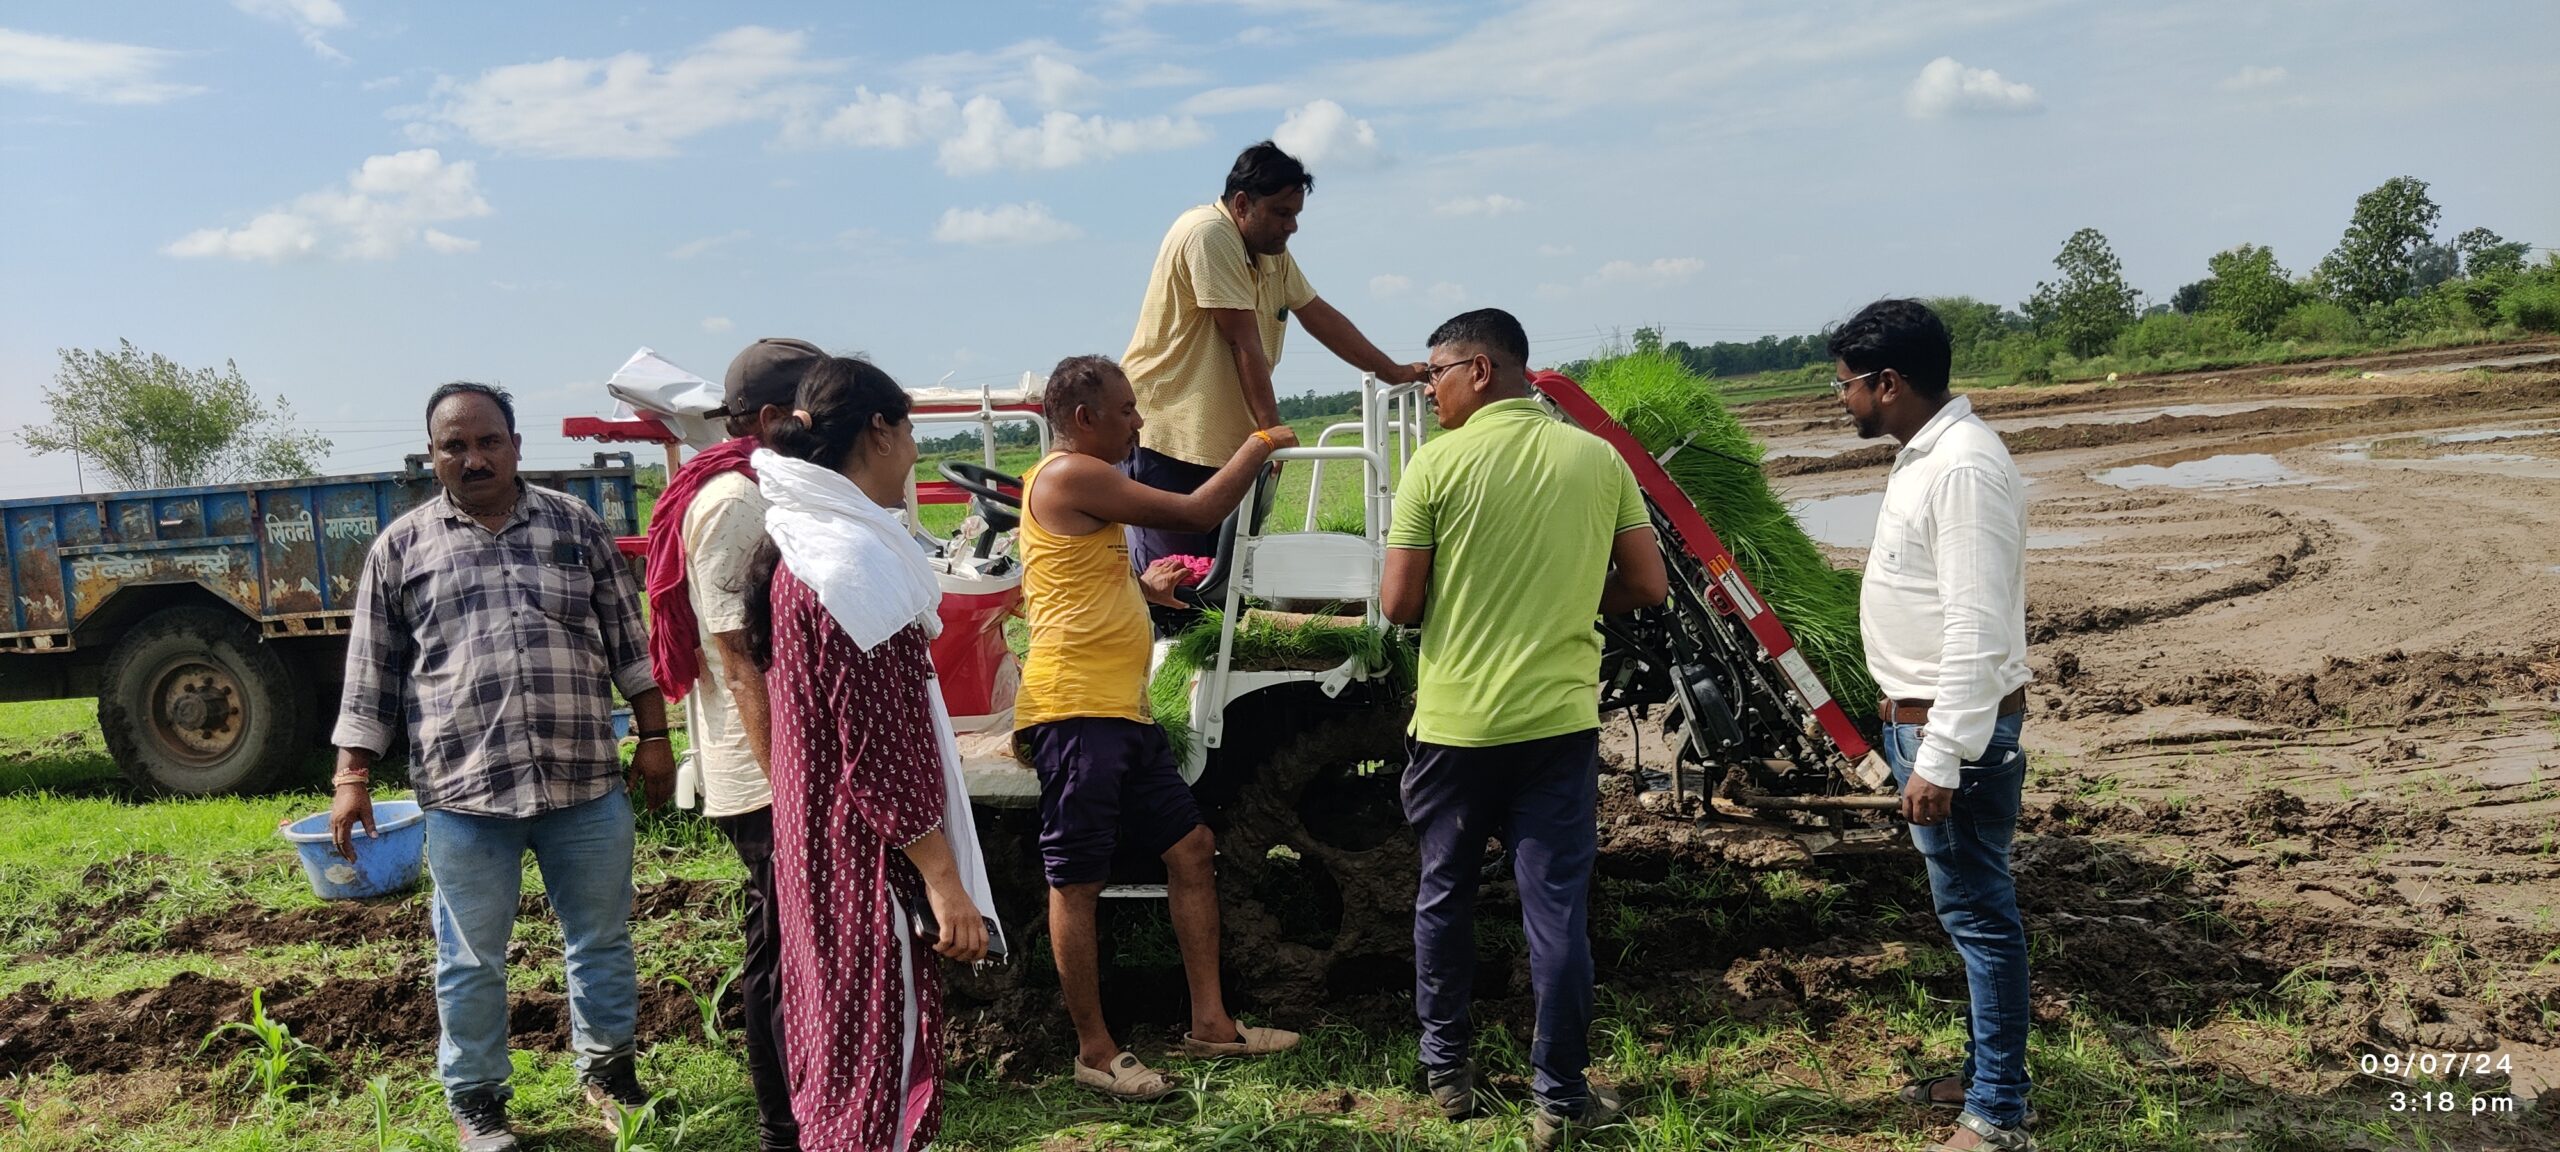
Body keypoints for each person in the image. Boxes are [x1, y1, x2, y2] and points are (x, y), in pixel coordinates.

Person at [329, 382, 674, 1152]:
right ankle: (478, 1100)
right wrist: (351, 778)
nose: (474, 458)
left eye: (488, 441)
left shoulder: (573, 525)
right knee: (470, 956)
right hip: (464, 795)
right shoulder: (402, 548)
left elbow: (631, 645)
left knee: (601, 941)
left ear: (516, 445)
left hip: (583, 781)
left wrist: (655, 739)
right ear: (433, 456)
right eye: (455, 445)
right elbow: (371, 677)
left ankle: (608, 1073)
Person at [1377, 309, 1666, 1151]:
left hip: (1457, 727)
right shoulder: (1597, 457)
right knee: (1556, 913)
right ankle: (1560, 1096)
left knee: (1444, 893)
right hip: (1556, 726)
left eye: (1434, 373)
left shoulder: (1437, 465)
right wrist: (1569, 599)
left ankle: (1448, 1072)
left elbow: (1398, 605)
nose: (1426, 389)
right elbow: (1646, 584)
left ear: (1479, 371)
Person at [1013, 353, 1303, 1101]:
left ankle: (1211, 1025)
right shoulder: (1070, 473)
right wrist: (1261, 442)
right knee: (1077, 879)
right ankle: (1096, 1050)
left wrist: (1141, 588)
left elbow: (1078, 578)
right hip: (1077, 710)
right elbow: (1198, 511)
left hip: (1120, 710)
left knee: (1192, 847)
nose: (1139, 422)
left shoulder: (1080, 486)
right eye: (1127, 410)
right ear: (1084, 419)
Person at [739, 355, 998, 1152]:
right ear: (880, 430)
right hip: (870, 870)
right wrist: (944, 883)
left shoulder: (809, 550)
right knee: (880, 1070)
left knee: (843, 1055)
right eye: (912, 429)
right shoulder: (850, 570)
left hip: (826, 855)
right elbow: (878, 758)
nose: (917, 450)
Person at [1831, 299, 2035, 1152]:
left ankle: (1997, 1115)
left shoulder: (1961, 468)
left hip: (1951, 735)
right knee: (1969, 917)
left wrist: (1942, 756)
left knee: (1982, 919)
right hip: (1922, 724)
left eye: (1846, 385)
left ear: (1889, 382)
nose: (1840, 400)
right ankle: (1989, 1077)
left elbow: (1977, 630)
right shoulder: (1929, 456)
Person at [641, 336, 825, 1152]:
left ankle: (808, 1105)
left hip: (776, 763)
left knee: (795, 942)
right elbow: (737, 658)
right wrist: (793, 787)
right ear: (781, 416)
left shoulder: (765, 487)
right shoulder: (734, 502)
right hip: (761, 775)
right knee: (782, 952)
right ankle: (783, 1126)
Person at [1118, 139, 1426, 575]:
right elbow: (1243, 340)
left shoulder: (1268, 254)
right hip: (1173, 438)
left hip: (1228, 443)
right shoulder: (1208, 233)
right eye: (1283, 213)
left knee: (1228, 577)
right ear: (1243, 204)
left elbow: (1317, 314)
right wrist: (1272, 433)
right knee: (1176, 582)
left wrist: (1393, 372)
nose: (1292, 227)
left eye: (1296, 215)